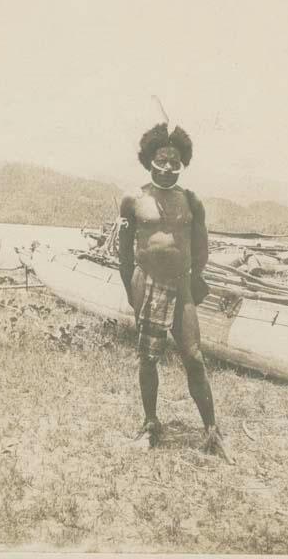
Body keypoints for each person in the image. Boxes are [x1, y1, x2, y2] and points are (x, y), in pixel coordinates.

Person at [118, 123, 234, 462]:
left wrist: (191, 279)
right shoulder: (133, 200)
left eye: (174, 161)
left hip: (181, 284)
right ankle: (151, 424)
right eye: (161, 160)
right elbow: (125, 254)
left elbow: (201, 250)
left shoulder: (191, 201)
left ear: (182, 163)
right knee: (148, 359)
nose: (167, 167)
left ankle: (212, 431)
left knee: (194, 357)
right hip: (146, 283)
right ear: (149, 160)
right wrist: (131, 289)